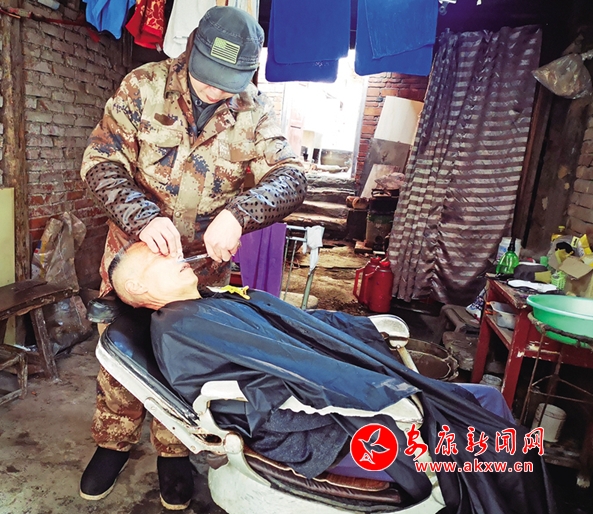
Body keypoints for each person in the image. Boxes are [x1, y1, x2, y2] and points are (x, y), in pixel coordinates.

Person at [106, 242, 557, 514]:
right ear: (141, 289)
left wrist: (355, 336)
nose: (176, 254)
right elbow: (267, 392)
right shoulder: (182, 328)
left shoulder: (209, 301)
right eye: (159, 257)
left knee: (485, 403)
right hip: (327, 432)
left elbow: (296, 330)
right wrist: (380, 396)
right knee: (497, 442)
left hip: (337, 409)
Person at [79, 6, 307, 510]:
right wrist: (142, 217)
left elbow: (292, 176)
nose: (215, 90)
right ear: (191, 49)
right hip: (134, 256)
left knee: (184, 359)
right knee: (121, 353)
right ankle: (113, 441)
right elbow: (99, 164)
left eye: (228, 82)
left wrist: (242, 213)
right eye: (208, 76)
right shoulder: (143, 87)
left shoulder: (253, 110)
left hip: (201, 268)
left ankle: (173, 450)